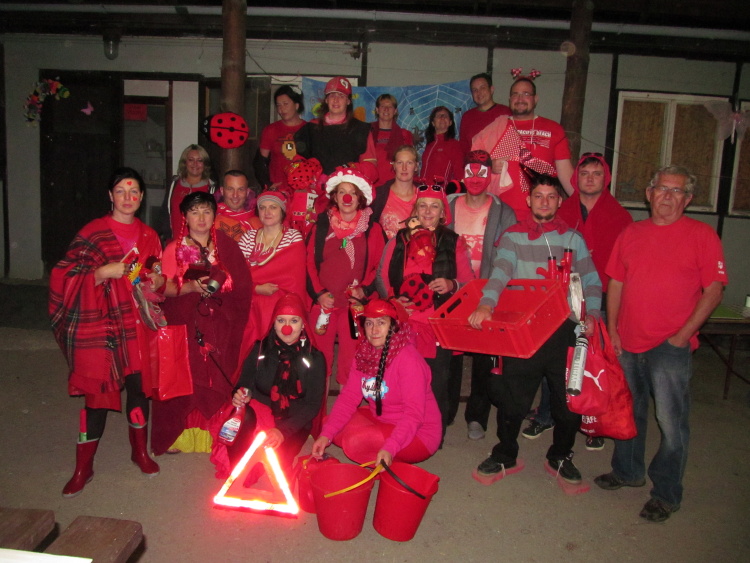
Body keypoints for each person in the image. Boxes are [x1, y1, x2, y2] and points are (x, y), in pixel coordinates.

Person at [594, 165, 727, 522]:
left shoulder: (702, 235)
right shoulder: (631, 233)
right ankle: (627, 471)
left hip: (670, 346)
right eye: (661, 188)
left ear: (688, 199)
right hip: (628, 342)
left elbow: (714, 290)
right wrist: (613, 329)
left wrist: (682, 336)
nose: (667, 196)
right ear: (649, 193)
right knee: (628, 412)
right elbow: (616, 282)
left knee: (671, 422)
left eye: (676, 190)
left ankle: (666, 493)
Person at [468, 174, 601, 485]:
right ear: (528, 200)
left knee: (567, 401)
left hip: (565, 331)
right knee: (514, 398)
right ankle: (505, 453)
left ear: (559, 201)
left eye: (551, 196)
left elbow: (592, 281)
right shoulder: (513, 237)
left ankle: (560, 455)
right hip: (525, 329)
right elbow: (500, 272)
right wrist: (486, 304)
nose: (544, 201)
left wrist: (594, 314)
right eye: (538, 196)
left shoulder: (573, 239)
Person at [50, 167, 163, 498]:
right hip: (100, 327)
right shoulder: (92, 233)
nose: (128, 197)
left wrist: (157, 281)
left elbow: (154, 277)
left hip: (137, 326)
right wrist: (101, 273)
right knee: (96, 399)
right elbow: (62, 276)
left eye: (134, 192)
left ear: (141, 198)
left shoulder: (149, 235)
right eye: (121, 191)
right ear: (110, 196)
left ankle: (139, 452)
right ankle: (83, 467)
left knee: (139, 391)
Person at [524, 153, 633, 450]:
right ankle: (547, 414)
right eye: (584, 173)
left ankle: (592, 422)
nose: (590, 178)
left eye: (596, 174)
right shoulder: (562, 208)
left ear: (605, 178)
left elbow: (625, 264)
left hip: (600, 293)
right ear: (575, 178)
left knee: (592, 360)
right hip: (561, 297)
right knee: (556, 358)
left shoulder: (621, 216)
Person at [151, 192, 251, 455]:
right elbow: (163, 287)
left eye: (206, 211)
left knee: (218, 377)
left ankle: (215, 435)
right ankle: (180, 436)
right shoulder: (174, 248)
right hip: (186, 324)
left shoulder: (227, 246)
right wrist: (190, 287)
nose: (201, 218)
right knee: (186, 379)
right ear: (185, 217)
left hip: (220, 324)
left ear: (214, 216)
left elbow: (243, 286)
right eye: (194, 212)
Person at [377, 183, 474, 436]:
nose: (428, 212)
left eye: (434, 207)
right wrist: (394, 300)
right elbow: (382, 277)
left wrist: (452, 284)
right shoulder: (399, 239)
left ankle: (432, 433)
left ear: (442, 213)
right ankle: (402, 428)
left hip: (436, 324)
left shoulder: (453, 242)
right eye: (423, 206)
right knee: (403, 379)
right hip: (404, 322)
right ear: (415, 210)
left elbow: (470, 283)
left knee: (436, 382)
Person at [311, 299, 442, 466]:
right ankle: (377, 447)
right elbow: (349, 398)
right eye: (369, 323)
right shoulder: (364, 353)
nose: (374, 330)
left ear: (394, 326)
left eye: (381, 322)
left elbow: (414, 414)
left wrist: (391, 447)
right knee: (329, 426)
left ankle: (386, 460)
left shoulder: (409, 360)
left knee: (354, 442)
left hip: (419, 433)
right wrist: (326, 435)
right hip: (381, 419)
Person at [445, 150, 517, 440]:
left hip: (487, 292)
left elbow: (508, 256)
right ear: (462, 174)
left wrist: (494, 294)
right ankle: (444, 412)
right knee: (448, 354)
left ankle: (477, 415)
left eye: (482, 172)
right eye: (470, 172)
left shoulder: (504, 212)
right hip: (452, 291)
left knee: (483, 359)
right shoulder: (448, 205)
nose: (475, 179)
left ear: (491, 176)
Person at [216, 292, 326, 479]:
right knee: (242, 425)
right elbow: (244, 384)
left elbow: (312, 405)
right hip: (260, 413)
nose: (286, 328)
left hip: (292, 421)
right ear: (274, 324)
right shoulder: (259, 349)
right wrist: (241, 394)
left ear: (303, 325)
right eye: (281, 321)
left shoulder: (315, 359)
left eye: (294, 321)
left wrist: (282, 431)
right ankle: (239, 469)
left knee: (277, 465)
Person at [307, 166, 386, 384]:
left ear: (360, 197)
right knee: (319, 361)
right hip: (325, 304)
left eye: (352, 192)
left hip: (354, 307)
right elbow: (308, 264)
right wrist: (319, 294)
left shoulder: (372, 229)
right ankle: (318, 405)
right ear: (334, 196)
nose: (347, 197)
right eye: (342, 192)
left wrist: (364, 290)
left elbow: (380, 267)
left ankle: (348, 403)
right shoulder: (321, 226)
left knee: (352, 360)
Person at [472, 70, 574, 219]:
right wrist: (489, 166)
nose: (520, 99)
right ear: (509, 99)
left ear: (535, 99)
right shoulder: (495, 128)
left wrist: (585, 204)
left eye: (526, 94)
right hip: (501, 215)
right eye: (515, 94)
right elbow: (473, 167)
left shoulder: (553, 129)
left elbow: (567, 176)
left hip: (541, 215)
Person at [238, 190, 307, 354]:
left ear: (282, 211)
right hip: (251, 301)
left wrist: (257, 279)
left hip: (281, 304)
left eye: (273, 207)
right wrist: (256, 288)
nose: (267, 212)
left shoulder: (293, 237)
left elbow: (293, 279)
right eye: (262, 208)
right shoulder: (248, 237)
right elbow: (237, 274)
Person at [295, 76, 378, 183]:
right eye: (332, 95)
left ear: (348, 101)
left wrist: (351, 170)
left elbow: (371, 169)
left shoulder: (361, 129)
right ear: (326, 100)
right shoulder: (310, 128)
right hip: (317, 189)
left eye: (341, 96)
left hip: (348, 188)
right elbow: (298, 162)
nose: (336, 100)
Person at [159, 144, 215, 244]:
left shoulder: (212, 188)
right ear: (185, 163)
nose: (195, 164)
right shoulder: (174, 185)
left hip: (201, 245)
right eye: (191, 160)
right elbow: (165, 213)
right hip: (175, 242)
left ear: (205, 164)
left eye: (199, 160)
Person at [254, 85, 306, 191]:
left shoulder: (309, 129)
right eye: (278, 105)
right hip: (277, 190)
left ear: (297, 105)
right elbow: (260, 162)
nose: (281, 109)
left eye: (285, 104)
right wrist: (267, 184)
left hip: (303, 190)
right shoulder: (270, 130)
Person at [370, 145, 420, 240]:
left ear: (416, 166)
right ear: (394, 165)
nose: (404, 168)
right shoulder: (378, 195)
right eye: (400, 163)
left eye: (409, 163)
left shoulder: (425, 195)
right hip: (386, 248)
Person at [458, 72, 511, 154]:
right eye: (475, 90)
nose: (479, 93)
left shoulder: (505, 112)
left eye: (482, 88)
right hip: (474, 161)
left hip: (502, 160)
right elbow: (463, 147)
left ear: (491, 89)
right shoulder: (467, 117)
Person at [370, 94, 414, 186]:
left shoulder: (405, 135)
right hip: (370, 186)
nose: (386, 109)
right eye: (383, 106)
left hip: (396, 187)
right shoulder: (367, 132)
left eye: (390, 107)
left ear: (395, 111)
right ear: (377, 110)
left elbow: (410, 164)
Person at [421, 106, 465, 185]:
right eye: (438, 116)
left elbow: (459, 173)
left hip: (442, 191)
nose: (442, 117)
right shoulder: (429, 146)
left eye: (445, 116)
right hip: (423, 190)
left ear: (450, 122)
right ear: (433, 123)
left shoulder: (455, 145)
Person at [215, 170, 261, 242]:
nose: (235, 195)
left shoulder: (257, 224)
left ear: (247, 192)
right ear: (222, 191)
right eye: (230, 189)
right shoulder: (210, 219)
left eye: (240, 189)